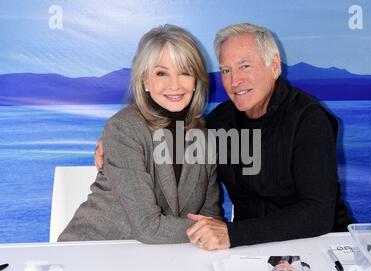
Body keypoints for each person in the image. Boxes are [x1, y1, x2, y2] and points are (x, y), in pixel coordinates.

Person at [95, 23, 354, 249]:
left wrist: (231, 234)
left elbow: (318, 214)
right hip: (248, 251)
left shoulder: (309, 119)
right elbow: (155, 131)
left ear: (274, 66)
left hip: (319, 244)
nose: (235, 80)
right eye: (226, 70)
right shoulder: (218, 123)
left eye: (245, 66)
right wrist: (112, 138)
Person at [58, 25, 221, 243]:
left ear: (195, 81)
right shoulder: (124, 128)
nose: (175, 85)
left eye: (185, 72)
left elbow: (210, 217)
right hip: (93, 254)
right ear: (145, 80)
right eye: (162, 73)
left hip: (159, 260)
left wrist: (217, 232)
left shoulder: (203, 136)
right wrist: (212, 231)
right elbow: (148, 228)